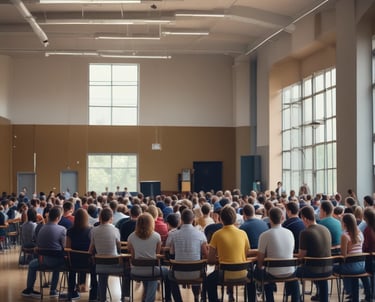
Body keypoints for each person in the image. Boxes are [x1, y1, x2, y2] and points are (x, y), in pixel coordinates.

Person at [206, 205, 255, 302]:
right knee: (252, 279)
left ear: (220, 219)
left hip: (224, 274)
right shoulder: (242, 233)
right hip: (243, 274)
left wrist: (221, 259)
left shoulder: (217, 234)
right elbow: (247, 253)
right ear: (235, 219)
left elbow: (210, 260)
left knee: (209, 280)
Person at [256, 207, 300, 302]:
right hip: (290, 271)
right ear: (282, 218)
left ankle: (269, 299)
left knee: (260, 272)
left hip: (271, 273)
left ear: (269, 218)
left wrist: (261, 266)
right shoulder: (290, 233)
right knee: (293, 277)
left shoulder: (264, 235)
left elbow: (260, 261)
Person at [21, 206, 66, 298]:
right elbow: (65, 247)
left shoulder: (41, 228)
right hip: (57, 262)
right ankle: (53, 290)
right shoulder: (62, 229)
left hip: (43, 261)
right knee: (58, 263)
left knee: (32, 265)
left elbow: (39, 244)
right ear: (58, 218)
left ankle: (29, 289)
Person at [127, 213, 171, 302]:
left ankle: (147, 298)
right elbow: (157, 255)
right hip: (152, 270)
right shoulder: (156, 236)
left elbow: (132, 254)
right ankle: (167, 298)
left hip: (136, 270)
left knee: (150, 272)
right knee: (166, 272)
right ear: (151, 223)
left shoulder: (131, 237)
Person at [167, 209, 208, 302]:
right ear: (193, 219)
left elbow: (172, 253)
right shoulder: (200, 234)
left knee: (169, 274)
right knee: (203, 271)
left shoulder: (174, 235)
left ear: (181, 219)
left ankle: (178, 300)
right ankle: (198, 297)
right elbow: (205, 254)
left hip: (178, 273)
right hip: (196, 273)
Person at [89, 208, 127, 302]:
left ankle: (102, 298)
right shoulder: (115, 230)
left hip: (100, 266)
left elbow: (90, 250)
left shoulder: (93, 230)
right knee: (127, 270)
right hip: (114, 265)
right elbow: (119, 247)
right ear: (111, 218)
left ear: (100, 218)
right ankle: (124, 297)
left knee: (102, 272)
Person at [296, 206, 332, 302]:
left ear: (304, 218)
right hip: (328, 269)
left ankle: (296, 299)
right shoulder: (325, 229)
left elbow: (301, 256)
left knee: (292, 273)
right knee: (321, 274)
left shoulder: (305, 232)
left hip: (313, 270)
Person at [333, 213, 371, 302]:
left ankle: (351, 295)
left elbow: (343, 255)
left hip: (350, 268)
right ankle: (354, 298)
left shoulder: (345, 236)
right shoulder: (360, 234)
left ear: (344, 223)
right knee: (354, 274)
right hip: (361, 267)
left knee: (332, 268)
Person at [66, 208, 97, 301]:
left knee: (71, 270)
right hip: (88, 261)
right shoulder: (91, 230)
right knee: (95, 269)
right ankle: (93, 295)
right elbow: (93, 246)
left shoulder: (70, 231)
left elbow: (67, 248)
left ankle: (71, 292)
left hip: (74, 262)